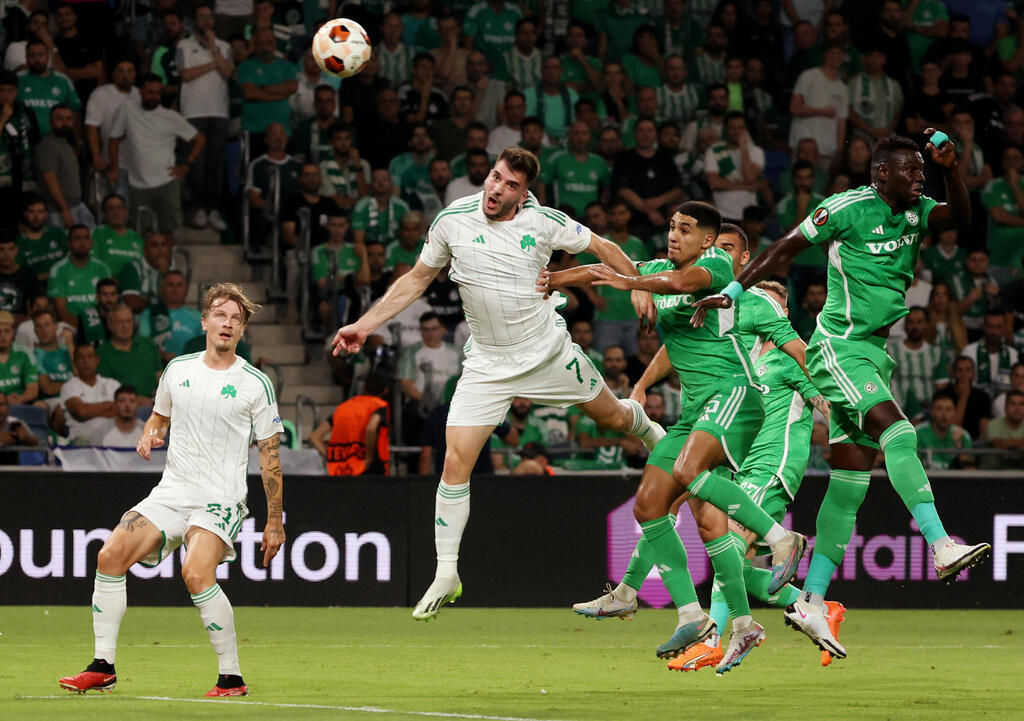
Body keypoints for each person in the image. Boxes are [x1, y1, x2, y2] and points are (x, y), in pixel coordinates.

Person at [333, 147, 666, 621]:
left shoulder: (544, 221)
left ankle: (649, 428)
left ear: (523, 193)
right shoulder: (452, 220)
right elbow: (417, 279)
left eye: (510, 184)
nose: (496, 188)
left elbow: (604, 248)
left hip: (547, 351)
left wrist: (638, 286)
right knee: (456, 461)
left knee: (613, 417)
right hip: (487, 364)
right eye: (494, 177)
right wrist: (364, 325)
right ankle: (447, 572)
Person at [691, 133, 991, 659]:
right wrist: (733, 292)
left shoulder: (919, 210)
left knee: (851, 484)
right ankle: (941, 542)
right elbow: (785, 248)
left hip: (875, 353)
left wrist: (952, 169)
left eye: (923, 171)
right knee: (899, 430)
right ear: (881, 174)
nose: (920, 177)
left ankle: (811, 601)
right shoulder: (846, 209)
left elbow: (961, 219)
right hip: (839, 348)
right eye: (912, 170)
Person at [550, 205, 807, 672]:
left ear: (707, 241)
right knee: (650, 505)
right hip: (696, 413)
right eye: (670, 227)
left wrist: (634, 285)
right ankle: (694, 615)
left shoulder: (715, 267)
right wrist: (554, 280)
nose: (673, 235)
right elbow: (606, 269)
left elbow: (678, 285)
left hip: (733, 395)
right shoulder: (656, 271)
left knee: (689, 475)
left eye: (685, 229)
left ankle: (781, 538)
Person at [59, 283, 284, 697]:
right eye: (220, 314)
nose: (227, 323)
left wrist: (274, 521)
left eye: (236, 318)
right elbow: (158, 418)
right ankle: (102, 665)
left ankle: (231, 677)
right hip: (171, 492)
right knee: (109, 555)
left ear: (243, 329)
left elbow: (270, 455)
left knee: (196, 574)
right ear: (204, 321)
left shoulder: (255, 384)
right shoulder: (178, 370)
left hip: (221, 498)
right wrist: (148, 435)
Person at [108, 74, 206, 239]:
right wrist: (114, 167)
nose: (154, 96)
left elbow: (200, 140)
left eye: (158, 93)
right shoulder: (127, 109)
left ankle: (166, 264)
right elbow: (114, 140)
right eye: (150, 92)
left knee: (167, 231)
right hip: (137, 184)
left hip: (166, 182)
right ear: (141, 92)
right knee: (139, 232)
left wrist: (186, 165)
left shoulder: (171, 117)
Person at [179, 2, 233, 232]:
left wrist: (214, 49)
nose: (206, 22)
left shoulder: (223, 46)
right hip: (193, 112)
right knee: (196, 163)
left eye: (209, 17)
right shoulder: (184, 45)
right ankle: (198, 208)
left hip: (219, 112)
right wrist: (213, 63)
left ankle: (213, 209)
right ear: (194, 21)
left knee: (216, 164)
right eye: (201, 17)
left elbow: (228, 72)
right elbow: (186, 75)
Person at [310, 371, 392, 475]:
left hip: (339, 470)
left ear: (364, 386)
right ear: (385, 391)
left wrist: (330, 456)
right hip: (369, 469)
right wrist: (369, 457)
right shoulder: (380, 406)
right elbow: (371, 428)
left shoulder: (343, 407)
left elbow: (314, 436)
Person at [788, 41, 849, 165]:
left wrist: (839, 150)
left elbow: (841, 122)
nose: (836, 56)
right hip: (803, 145)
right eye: (832, 52)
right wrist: (821, 111)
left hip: (827, 149)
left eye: (840, 53)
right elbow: (794, 107)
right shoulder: (809, 76)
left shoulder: (842, 88)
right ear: (824, 55)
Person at [85, 60, 138, 200]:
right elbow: (91, 127)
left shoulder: (140, 94)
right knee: (117, 205)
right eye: (121, 71)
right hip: (113, 163)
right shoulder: (101, 94)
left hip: (138, 164)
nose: (125, 75)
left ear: (135, 74)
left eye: (130, 71)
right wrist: (96, 156)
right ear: (113, 75)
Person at [37, 104, 95, 229]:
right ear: (51, 122)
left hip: (77, 205)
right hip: (58, 211)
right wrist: (65, 210)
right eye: (60, 119)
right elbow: (50, 179)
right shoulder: (47, 145)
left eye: (68, 119)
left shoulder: (67, 144)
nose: (65, 123)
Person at [888, 306, 948, 421]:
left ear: (927, 324)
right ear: (905, 325)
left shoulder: (936, 353)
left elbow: (941, 386)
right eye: (911, 322)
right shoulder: (891, 351)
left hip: (928, 412)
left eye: (920, 322)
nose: (915, 327)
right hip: (898, 410)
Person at [703, 112, 765, 223]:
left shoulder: (756, 151)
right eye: (732, 128)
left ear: (746, 129)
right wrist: (744, 187)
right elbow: (713, 182)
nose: (737, 132)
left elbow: (750, 178)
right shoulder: (713, 150)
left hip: (749, 215)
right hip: (723, 214)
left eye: (741, 127)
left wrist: (743, 150)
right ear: (726, 129)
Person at [236, 27, 297, 138]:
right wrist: (280, 95)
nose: (265, 47)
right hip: (254, 129)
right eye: (260, 43)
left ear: (275, 43)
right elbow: (250, 94)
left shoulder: (287, 66)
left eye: (268, 43)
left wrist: (261, 88)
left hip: (282, 130)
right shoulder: (245, 67)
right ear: (254, 45)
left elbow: (291, 87)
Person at [47, 225, 111, 329]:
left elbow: (109, 302)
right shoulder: (58, 269)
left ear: (91, 243)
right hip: (70, 324)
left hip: (99, 323)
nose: (82, 242)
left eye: (86, 238)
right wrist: (83, 330)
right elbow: (61, 310)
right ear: (69, 244)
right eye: (77, 238)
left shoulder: (102, 268)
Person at [97, 303, 162, 403]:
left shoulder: (148, 343)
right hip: (123, 406)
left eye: (128, 321)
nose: (125, 326)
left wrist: (160, 393)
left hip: (155, 403)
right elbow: (106, 389)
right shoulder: (102, 353)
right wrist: (136, 400)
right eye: (120, 322)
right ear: (110, 325)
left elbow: (159, 374)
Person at [17, 39, 81, 137]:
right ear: (26, 58)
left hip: (56, 141)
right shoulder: (18, 79)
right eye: (32, 55)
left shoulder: (63, 80)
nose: (37, 59)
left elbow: (74, 111)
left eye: (41, 55)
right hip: (25, 141)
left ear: (47, 56)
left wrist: (77, 141)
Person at [59, 342, 118, 444]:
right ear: (74, 363)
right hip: (82, 440)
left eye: (90, 356)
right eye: (81, 358)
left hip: (112, 438)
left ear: (97, 360)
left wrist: (90, 410)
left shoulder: (112, 384)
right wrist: (110, 404)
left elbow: (121, 412)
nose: (86, 361)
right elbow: (81, 412)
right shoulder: (69, 386)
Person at [139, 271, 203, 362]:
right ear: (161, 289)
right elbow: (144, 344)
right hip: (159, 365)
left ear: (185, 289)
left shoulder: (198, 316)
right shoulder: (149, 314)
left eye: (179, 285)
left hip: (191, 367)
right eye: (170, 285)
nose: (175, 289)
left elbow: (205, 346)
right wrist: (162, 355)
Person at [916, 392, 974, 470]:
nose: (944, 415)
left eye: (949, 409)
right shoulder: (917, 433)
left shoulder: (963, 436)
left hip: (953, 481)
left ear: (954, 412)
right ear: (932, 412)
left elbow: (970, 471)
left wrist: (959, 447)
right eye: (939, 409)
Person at [352, 169, 410, 247]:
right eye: (376, 180)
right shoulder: (361, 206)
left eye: (385, 179)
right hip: (369, 250)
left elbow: (409, 236)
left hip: (396, 249)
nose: (381, 183)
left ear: (391, 183)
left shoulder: (402, 206)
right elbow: (359, 242)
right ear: (371, 184)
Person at [16, 195, 68, 281]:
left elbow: (71, 259)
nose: (36, 217)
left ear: (46, 214)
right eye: (31, 212)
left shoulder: (58, 233)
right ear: (25, 214)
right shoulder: (18, 242)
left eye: (39, 212)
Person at [92, 195, 143, 278]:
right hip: (108, 285)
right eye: (111, 208)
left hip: (136, 284)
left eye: (120, 208)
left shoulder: (136, 237)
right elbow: (92, 264)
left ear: (126, 212)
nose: (116, 212)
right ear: (104, 214)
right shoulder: (97, 234)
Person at [120, 231, 170, 314]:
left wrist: (165, 276)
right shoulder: (131, 268)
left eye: (163, 245)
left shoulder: (170, 271)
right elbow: (133, 303)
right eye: (154, 245)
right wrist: (157, 307)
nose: (160, 250)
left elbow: (174, 303)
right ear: (144, 251)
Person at [0, 309, 39, 405]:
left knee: (40, 406)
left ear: (13, 333)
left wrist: (21, 398)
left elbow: (33, 388)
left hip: (19, 404)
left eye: (7, 331)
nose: (2, 336)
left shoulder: (25, 353)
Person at [0, 235, 42, 323]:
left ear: (17, 250)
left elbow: (36, 305)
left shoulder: (28, 275)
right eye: (1, 250)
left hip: (24, 323)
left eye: (11, 249)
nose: (6, 254)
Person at [980, 390, 1024, 469]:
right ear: (1005, 407)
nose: (1017, 409)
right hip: (991, 476)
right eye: (1013, 404)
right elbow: (998, 444)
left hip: (1020, 476)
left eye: (1021, 404)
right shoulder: (993, 424)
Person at [76, 277, 119, 346]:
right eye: (105, 294)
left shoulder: (125, 316)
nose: (109, 299)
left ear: (117, 296)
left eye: (113, 294)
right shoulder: (86, 317)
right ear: (97, 296)